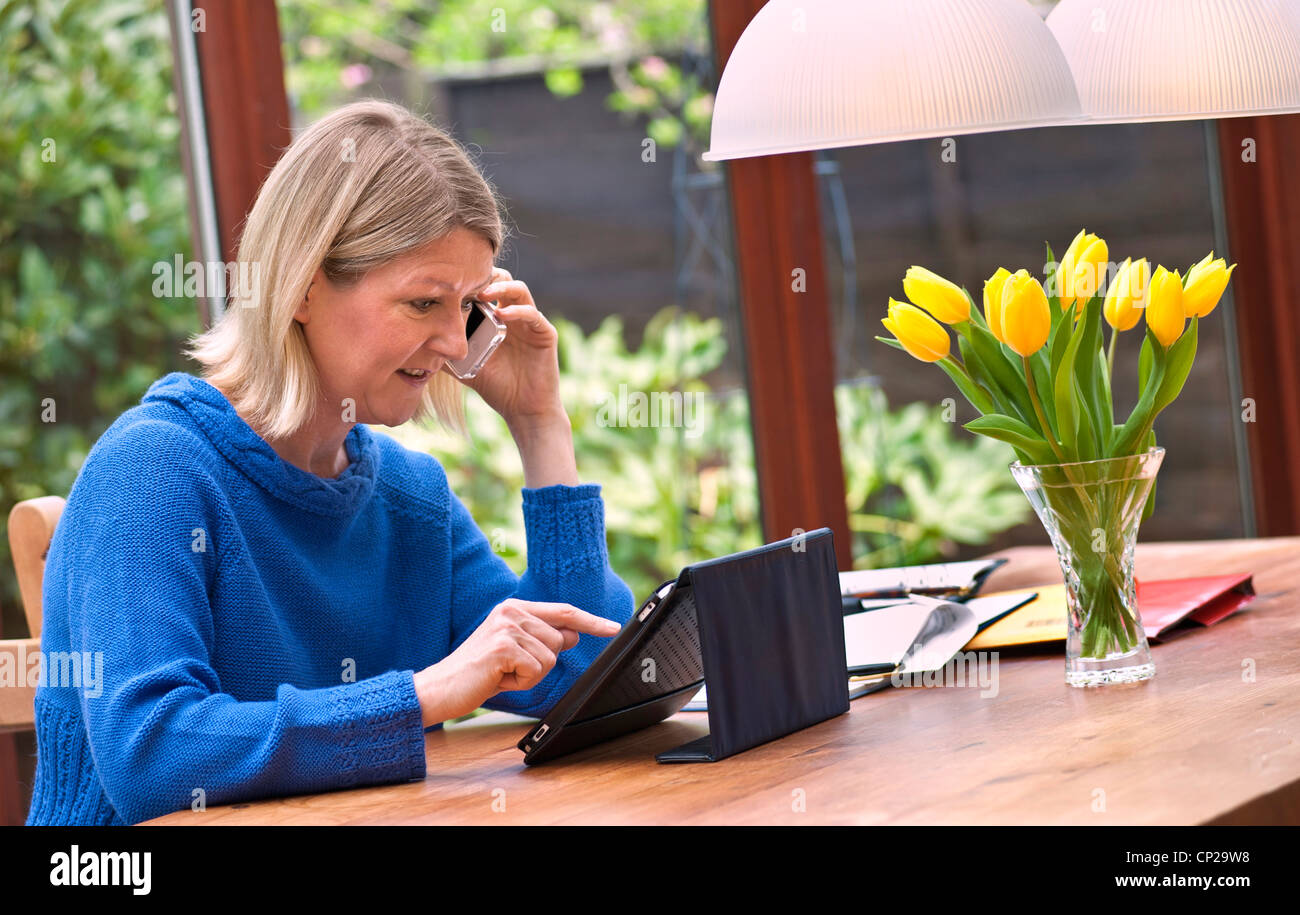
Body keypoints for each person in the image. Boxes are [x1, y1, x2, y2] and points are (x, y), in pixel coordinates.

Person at [25, 99, 635, 826]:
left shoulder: (410, 499)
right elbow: (152, 755)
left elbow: (584, 684)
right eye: (422, 303)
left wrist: (540, 424)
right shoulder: (152, 472)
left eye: (469, 306)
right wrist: (424, 694)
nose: (452, 342)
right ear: (305, 287)